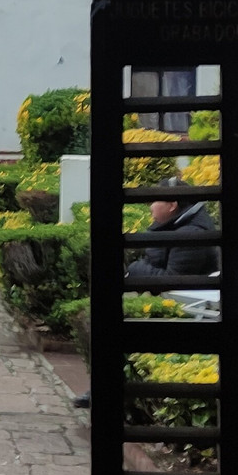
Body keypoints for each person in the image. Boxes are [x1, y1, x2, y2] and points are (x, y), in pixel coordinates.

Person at [72, 175, 219, 409]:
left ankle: (109, 390)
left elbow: (173, 281)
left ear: (172, 205)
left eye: (155, 201)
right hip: (164, 298)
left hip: (182, 307)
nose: (150, 206)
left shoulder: (191, 235)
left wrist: (134, 269)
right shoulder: (175, 225)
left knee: (111, 324)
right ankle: (104, 386)